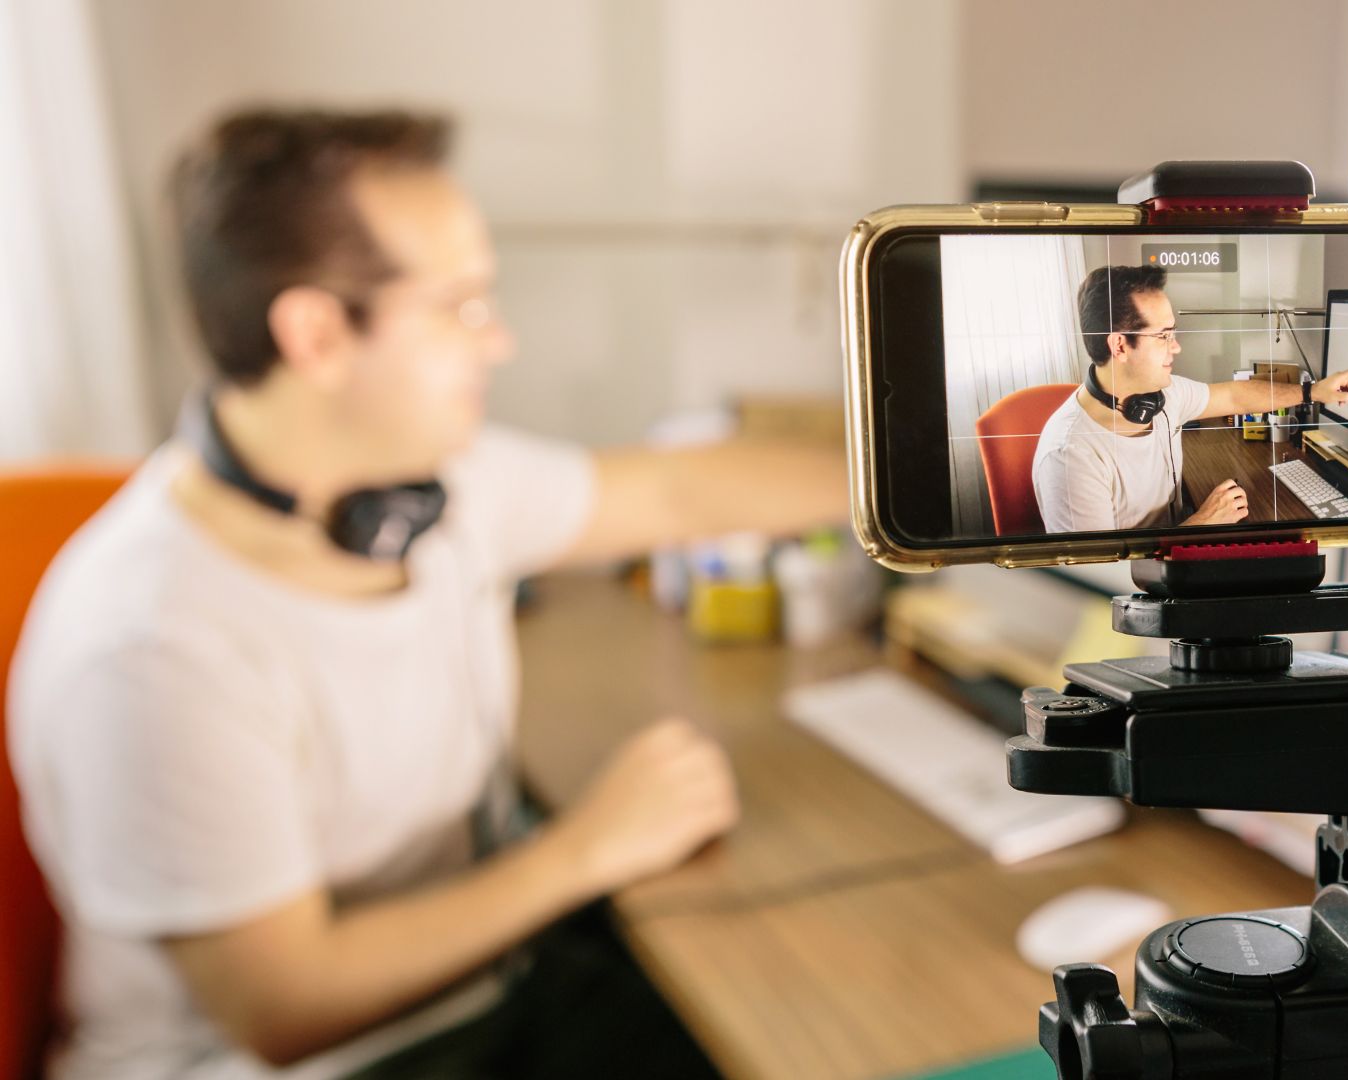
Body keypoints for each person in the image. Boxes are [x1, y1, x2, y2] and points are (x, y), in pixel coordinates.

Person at [6, 108, 846, 1079]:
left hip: (473, 999)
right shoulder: (154, 646)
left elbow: (674, 489)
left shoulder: (423, 483)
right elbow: (285, 1006)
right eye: (462, 307)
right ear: (316, 333)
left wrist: (934, 487)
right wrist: (582, 850)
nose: (499, 343)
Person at [1032, 264, 1348, 533]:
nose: (1176, 347)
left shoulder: (1162, 395)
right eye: (1163, 336)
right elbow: (1103, 579)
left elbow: (1234, 396)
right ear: (1119, 346)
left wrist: (1312, 391)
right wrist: (1201, 524)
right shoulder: (1071, 458)